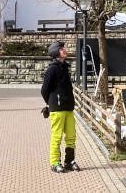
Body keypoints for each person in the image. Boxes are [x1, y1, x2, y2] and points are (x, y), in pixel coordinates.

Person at [41, 40, 78, 173]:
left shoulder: (65, 67)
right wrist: (51, 103)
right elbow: (44, 90)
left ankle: (69, 161)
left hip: (68, 108)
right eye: (62, 49)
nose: (65, 50)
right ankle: (55, 162)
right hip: (57, 109)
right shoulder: (52, 69)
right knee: (57, 137)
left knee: (71, 136)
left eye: (64, 48)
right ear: (56, 53)